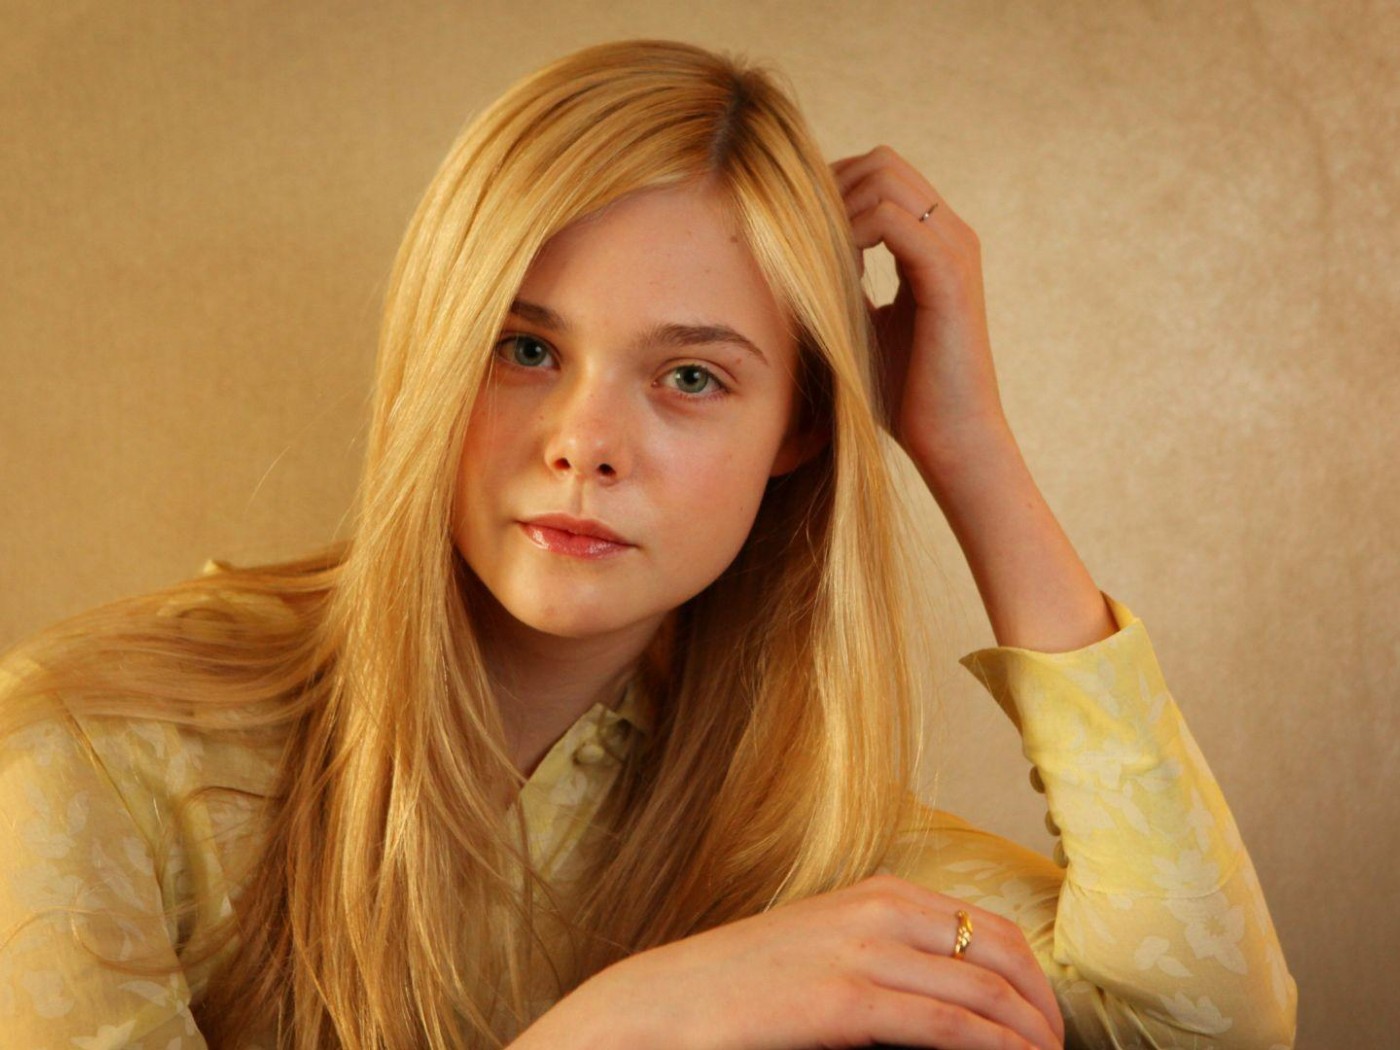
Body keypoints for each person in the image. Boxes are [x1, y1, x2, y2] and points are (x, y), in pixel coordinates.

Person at [0, 38, 1295, 1050]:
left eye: (689, 377)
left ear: (798, 428)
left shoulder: (791, 841)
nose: (585, 443)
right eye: (525, 348)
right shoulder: (89, 740)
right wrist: (636, 1024)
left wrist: (967, 444)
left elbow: (1200, 1024)